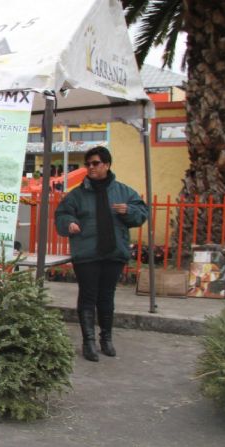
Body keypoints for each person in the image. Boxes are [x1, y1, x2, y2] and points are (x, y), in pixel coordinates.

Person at [55, 146, 148, 362]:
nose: (91, 167)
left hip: (114, 253)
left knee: (107, 297)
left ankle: (106, 339)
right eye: (88, 164)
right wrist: (69, 222)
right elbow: (62, 214)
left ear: (106, 165)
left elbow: (141, 214)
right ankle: (89, 342)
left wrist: (130, 211)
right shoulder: (76, 194)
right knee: (88, 296)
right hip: (86, 253)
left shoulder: (124, 192)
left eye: (95, 163)